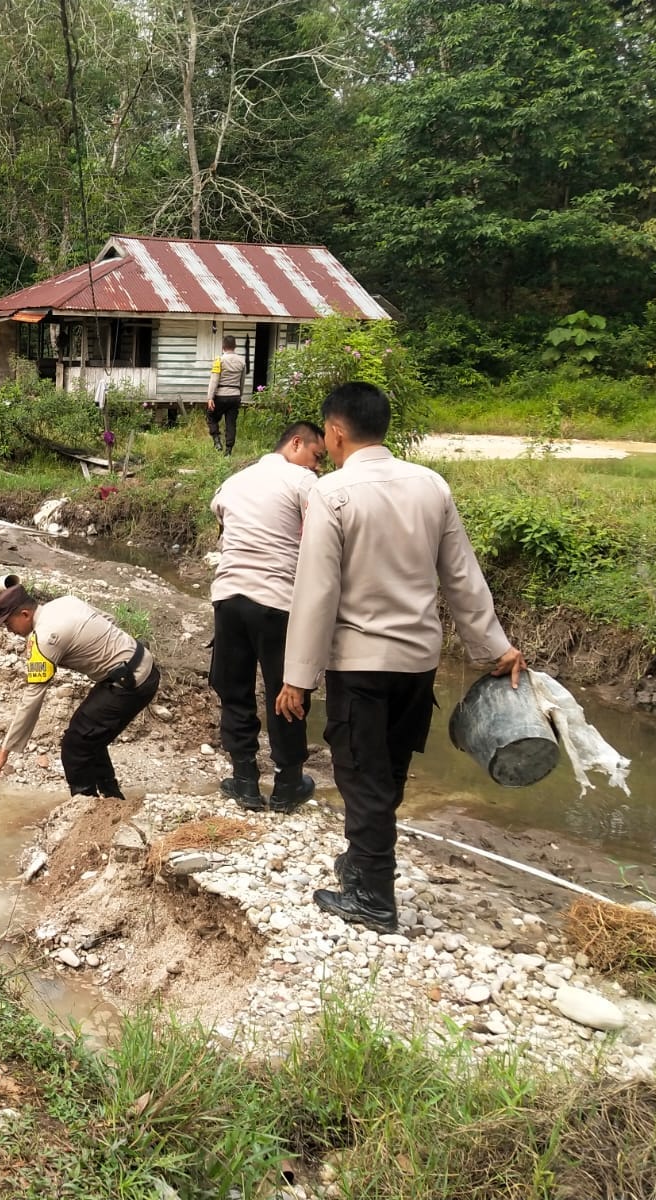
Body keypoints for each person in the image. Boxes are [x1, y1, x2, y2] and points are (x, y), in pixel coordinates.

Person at [275, 383, 525, 933]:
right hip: (418, 662)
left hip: (360, 662)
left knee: (362, 776)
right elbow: (461, 575)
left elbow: (317, 591)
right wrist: (494, 648)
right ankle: (361, 864)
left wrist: (297, 678)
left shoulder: (332, 494)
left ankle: (373, 899)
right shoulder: (430, 486)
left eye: (328, 439)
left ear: (335, 432)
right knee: (388, 770)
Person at [209, 421, 326, 813]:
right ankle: (287, 784)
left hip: (228, 599)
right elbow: (320, 536)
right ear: (296, 444)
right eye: (316, 456)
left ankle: (243, 780)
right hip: (277, 602)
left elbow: (222, 526)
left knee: (234, 689)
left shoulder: (234, 481)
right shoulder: (302, 482)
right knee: (286, 691)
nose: (317, 467)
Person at [0, 580, 159, 800]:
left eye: (9, 624)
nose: (9, 631)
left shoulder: (45, 639)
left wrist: (3, 754)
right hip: (142, 663)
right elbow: (109, 620)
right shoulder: (65, 603)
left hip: (130, 683)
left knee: (74, 746)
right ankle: (112, 798)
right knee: (88, 735)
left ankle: (85, 809)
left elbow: (32, 700)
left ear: (26, 614)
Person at [205, 336, 246, 453]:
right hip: (235, 395)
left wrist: (210, 398)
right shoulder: (242, 361)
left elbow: (214, 380)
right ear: (235, 346)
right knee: (231, 423)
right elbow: (242, 381)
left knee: (211, 417)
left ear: (223, 347)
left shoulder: (219, 360)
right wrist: (239, 395)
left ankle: (217, 441)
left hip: (221, 396)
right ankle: (228, 450)